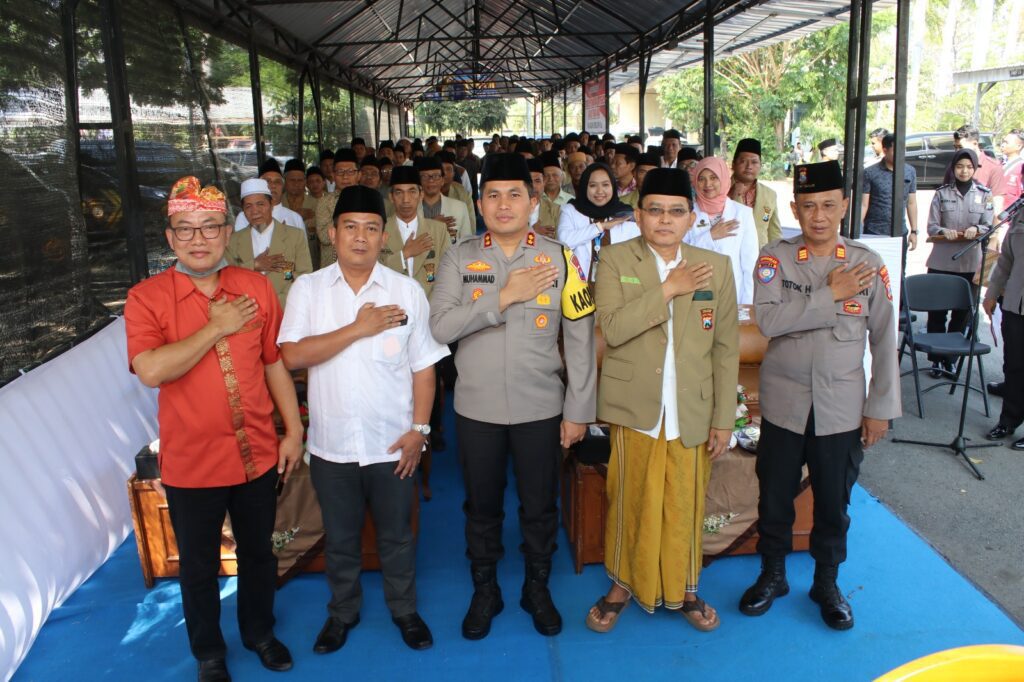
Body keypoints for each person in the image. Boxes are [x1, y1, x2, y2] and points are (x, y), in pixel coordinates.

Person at [125, 176, 302, 681]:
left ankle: (260, 633)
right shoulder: (147, 297)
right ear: (170, 238)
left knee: (259, 552)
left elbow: (272, 364)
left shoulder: (256, 287)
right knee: (199, 565)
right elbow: (152, 370)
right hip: (191, 461)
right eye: (186, 230)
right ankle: (209, 651)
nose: (198, 239)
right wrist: (215, 327)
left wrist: (292, 431)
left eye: (209, 227)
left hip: (256, 453)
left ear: (229, 232)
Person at [429, 153, 597, 641]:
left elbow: (581, 340)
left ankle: (536, 587)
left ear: (533, 201)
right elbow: (440, 327)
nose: (504, 205)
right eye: (494, 195)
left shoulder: (559, 257)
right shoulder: (459, 256)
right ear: (479, 203)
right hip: (476, 409)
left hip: (541, 408)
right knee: (481, 507)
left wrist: (578, 411)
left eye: (515, 195)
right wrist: (502, 297)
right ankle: (486, 590)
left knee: (540, 505)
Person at [278, 186, 449, 654]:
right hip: (332, 445)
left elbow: (424, 369)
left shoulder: (406, 290)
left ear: (384, 235)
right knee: (341, 538)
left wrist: (421, 431)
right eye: (350, 227)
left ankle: (404, 610)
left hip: (392, 444)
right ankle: (342, 613)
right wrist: (358, 328)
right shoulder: (309, 290)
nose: (360, 237)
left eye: (371, 228)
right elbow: (292, 354)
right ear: (332, 234)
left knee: (396, 536)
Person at [739, 160, 900, 632]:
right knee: (774, 498)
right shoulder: (775, 258)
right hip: (784, 405)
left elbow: (885, 340)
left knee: (834, 502)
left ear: (845, 206)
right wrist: (829, 295)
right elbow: (768, 322)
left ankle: (826, 582)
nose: (819, 216)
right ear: (794, 208)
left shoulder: (868, 264)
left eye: (829, 205)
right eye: (808, 206)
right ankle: (773, 574)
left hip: (842, 408)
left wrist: (880, 410)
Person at [585, 167, 739, 634]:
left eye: (676, 212)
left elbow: (726, 347)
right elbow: (610, 328)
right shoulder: (614, 261)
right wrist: (669, 288)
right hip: (636, 405)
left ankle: (685, 588)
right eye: (655, 211)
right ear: (638, 215)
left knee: (686, 503)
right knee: (628, 497)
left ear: (691, 218)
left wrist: (724, 419)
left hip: (691, 406)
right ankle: (620, 585)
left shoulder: (717, 267)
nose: (665, 221)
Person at [925, 148, 994, 377]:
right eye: (959, 166)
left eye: (969, 167)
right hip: (941, 262)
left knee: (961, 314)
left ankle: (950, 359)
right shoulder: (941, 193)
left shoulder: (984, 194)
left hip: (969, 265)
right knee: (937, 314)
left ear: (974, 169)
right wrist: (945, 231)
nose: (964, 171)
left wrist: (979, 229)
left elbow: (989, 225)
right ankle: (935, 360)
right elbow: (932, 227)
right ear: (953, 168)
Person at [226, 178, 313, 307]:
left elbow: (304, 276)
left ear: (271, 205)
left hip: (285, 309)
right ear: (243, 210)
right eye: (248, 206)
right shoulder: (233, 240)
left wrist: (275, 301)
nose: (255, 211)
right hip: (248, 312)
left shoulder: (295, 235)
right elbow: (226, 277)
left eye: (260, 204)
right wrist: (254, 265)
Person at [684, 157, 758, 304]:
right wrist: (710, 236)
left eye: (713, 178)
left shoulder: (742, 213)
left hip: (733, 296)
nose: (707, 184)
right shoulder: (687, 213)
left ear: (723, 179)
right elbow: (681, 254)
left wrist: (747, 305)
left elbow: (750, 265)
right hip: (696, 296)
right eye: (701, 179)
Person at [557, 162, 640, 283]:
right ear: (585, 187)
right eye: (593, 185)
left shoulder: (625, 214)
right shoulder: (571, 210)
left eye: (606, 185)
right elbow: (564, 242)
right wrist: (601, 227)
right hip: (578, 290)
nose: (600, 191)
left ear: (613, 186)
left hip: (618, 290)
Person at [983, 211, 1024, 449]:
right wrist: (991, 293)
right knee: (1014, 366)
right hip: (1015, 306)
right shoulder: (1020, 216)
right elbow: (1006, 260)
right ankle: (1008, 420)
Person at [860, 133, 919, 253]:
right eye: (896, 150)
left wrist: (914, 231)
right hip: (874, 231)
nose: (900, 154)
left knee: (899, 270)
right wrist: (858, 231)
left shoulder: (909, 171)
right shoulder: (870, 173)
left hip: (899, 231)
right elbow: (863, 205)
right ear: (885, 150)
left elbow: (911, 203)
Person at [729, 138, 783, 247]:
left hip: (759, 257)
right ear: (733, 164)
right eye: (743, 161)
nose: (749, 167)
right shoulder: (720, 190)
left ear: (760, 166)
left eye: (754, 162)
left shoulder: (769, 194)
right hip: (728, 257)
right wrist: (733, 194)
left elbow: (774, 232)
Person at [316, 149, 361, 266]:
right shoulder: (324, 202)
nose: (345, 176)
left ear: (359, 175)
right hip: (332, 266)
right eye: (340, 172)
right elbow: (324, 237)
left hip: (361, 263)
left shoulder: (369, 199)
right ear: (333, 175)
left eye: (350, 172)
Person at [235, 158, 304, 231]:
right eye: (268, 181)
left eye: (277, 182)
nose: (273, 185)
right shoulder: (245, 216)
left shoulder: (295, 218)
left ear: (283, 186)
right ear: (259, 184)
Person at [415, 156, 472, 244]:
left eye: (436, 176)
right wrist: (433, 225)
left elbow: (467, 244)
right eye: (425, 176)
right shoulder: (410, 209)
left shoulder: (459, 207)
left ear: (442, 180)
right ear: (419, 181)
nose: (431, 180)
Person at [954, 124, 1007, 219]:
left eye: (960, 147)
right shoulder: (953, 165)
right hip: (953, 229)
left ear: (975, 143)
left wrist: (994, 232)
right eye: (955, 147)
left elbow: (996, 204)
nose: (957, 151)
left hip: (980, 229)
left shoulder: (993, 167)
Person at [439, 151, 477, 233]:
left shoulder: (461, 191)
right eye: (441, 169)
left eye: (448, 169)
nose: (444, 173)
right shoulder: (425, 192)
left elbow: (471, 220)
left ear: (454, 173)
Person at [1000, 129, 1023, 208]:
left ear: (1018, 146)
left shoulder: (1021, 168)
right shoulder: (1000, 164)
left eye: (1006, 142)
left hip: (1011, 216)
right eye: (1003, 141)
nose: (1003, 145)